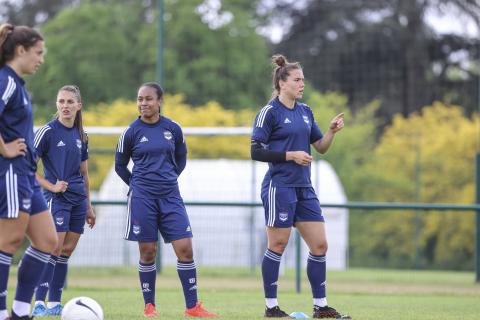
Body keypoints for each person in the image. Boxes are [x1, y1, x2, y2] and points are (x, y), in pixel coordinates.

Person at [251, 54, 351, 319]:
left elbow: (321, 148)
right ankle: (271, 308)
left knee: (320, 245)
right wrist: (290, 155)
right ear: (282, 83)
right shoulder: (269, 113)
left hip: (304, 188)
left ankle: (321, 307)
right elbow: (255, 150)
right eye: (297, 80)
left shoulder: (306, 112)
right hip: (279, 186)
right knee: (278, 245)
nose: (301, 84)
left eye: (303, 80)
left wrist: (331, 131)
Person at [115, 82, 217, 318]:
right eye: (140, 99)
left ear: (160, 101)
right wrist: (138, 185)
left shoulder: (173, 128)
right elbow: (120, 166)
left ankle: (192, 307)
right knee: (148, 252)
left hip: (171, 196)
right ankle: (149, 305)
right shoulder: (130, 132)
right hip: (142, 198)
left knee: (185, 249)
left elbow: (181, 159)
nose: (143, 103)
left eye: (148, 99)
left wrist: (167, 179)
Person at [0, 23, 58, 320]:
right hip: (10, 172)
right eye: (38, 53)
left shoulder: (17, 84)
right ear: (20, 51)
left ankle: (20, 313)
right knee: (7, 242)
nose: (41, 59)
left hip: (26, 175)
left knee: (48, 241)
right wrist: (5, 148)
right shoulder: (5, 80)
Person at [31, 85, 96, 317]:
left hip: (78, 200)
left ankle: (54, 304)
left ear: (79, 106)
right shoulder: (46, 132)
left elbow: (85, 174)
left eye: (70, 102)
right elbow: (27, 168)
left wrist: (89, 205)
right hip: (56, 199)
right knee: (53, 248)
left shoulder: (81, 135)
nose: (65, 106)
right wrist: (52, 186)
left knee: (66, 251)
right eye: (61, 101)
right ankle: (39, 302)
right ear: (56, 104)